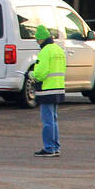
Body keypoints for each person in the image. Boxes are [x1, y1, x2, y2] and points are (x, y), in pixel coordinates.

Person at [31, 24, 66, 157]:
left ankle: (49, 148)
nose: (37, 42)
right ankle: (55, 146)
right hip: (58, 88)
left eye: (37, 40)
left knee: (47, 121)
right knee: (54, 119)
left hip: (46, 89)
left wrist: (31, 75)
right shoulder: (58, 49)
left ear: (41, 39)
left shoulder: (45, 51)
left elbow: (41, 72)